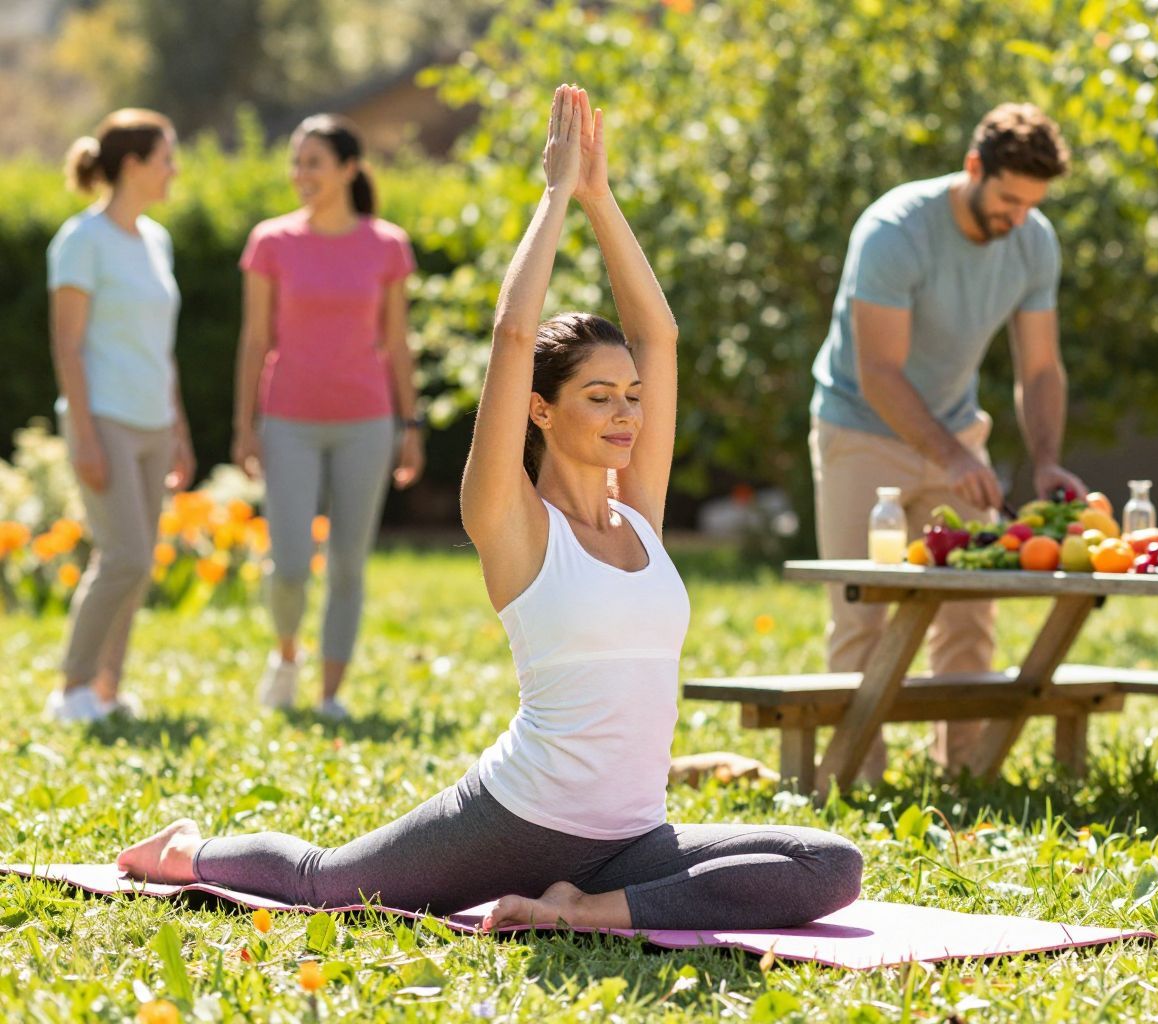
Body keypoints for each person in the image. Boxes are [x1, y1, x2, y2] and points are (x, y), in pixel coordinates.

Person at [117, 86, 863, 932]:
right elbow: (514, 337)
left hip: (630, 838)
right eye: (598, 398)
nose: (626, 415)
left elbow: (660, 338)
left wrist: (599, 196)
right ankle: (189, 850)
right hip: (517, 820)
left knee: (829, 864)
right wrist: (553, 199)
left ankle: (587, 911)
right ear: (542, 411)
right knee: (331, 885)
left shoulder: (640, 516)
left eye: (631, 399)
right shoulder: (511, 519)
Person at [808, 102, 1086, 775]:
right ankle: (856, 781)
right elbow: (878, 373)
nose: (1017, 217)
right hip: (861, 430)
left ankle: (964, 776)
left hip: (956, 432)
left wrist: (1045, 460)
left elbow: (1041, 367)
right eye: (1008, 199)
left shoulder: (1033, 239)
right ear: (973, 168)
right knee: (863, 611)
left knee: (968, 611)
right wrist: (954, 456)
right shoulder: (895, 231)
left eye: (1031, 203)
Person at [231, 114, 425, 720]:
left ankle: (331, 693)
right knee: (288, 562)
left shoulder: (387, 244)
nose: (301, 174)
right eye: (297, 162)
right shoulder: (272, 241)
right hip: (286, 418)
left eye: (313, 161)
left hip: (367, 420)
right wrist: (244, 425)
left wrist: (410, 427)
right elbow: (255, 338)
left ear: (348, 169)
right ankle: (286, 656)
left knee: (348, 561)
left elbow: (397, 342)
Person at [45, 108, 195, 723]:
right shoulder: (81, 240)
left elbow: (162, 346)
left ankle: (107, 691)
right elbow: (67, 344)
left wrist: (180, 429)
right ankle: (71, 689)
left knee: (137, 563)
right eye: (166, 158)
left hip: (155, 421)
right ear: (132, 165)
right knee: (125, 556)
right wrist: (83, 433)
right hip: (102, 416)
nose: (173, 170)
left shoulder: (156, 240)